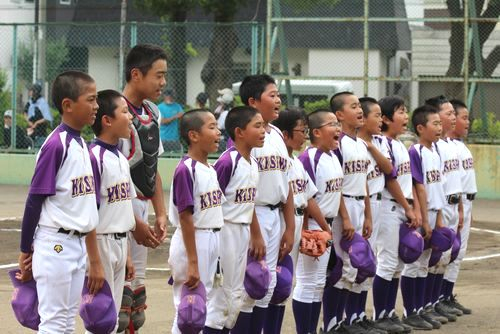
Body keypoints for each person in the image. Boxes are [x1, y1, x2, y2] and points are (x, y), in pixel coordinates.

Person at [17, 71, 99, 333]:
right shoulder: (56, 145)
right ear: (68, 105)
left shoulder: (82, 145)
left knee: (66, 322)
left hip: (75, 245)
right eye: (91, 99)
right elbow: (34, 200)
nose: (96, 106)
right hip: (56, 246)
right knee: (53, 322)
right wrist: (24, 248)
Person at [87, 89, 161, 334]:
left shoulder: (119, 157)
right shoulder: (94, 157)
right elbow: (88, 213)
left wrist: (128, 254)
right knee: (98, 318)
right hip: (101, 243)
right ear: (107, 120)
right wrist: (94, 261)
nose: (130, 117)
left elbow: (123, 210)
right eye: (124, 112)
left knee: (115, 318)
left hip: (119, 244)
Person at [231, 74, 295, 334]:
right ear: (253, 102)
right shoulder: (247, 138)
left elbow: (287, 184)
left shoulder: (277, 134)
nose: (278, 100)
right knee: (251, 288)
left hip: (275, 216)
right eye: (272, 95)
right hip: (253, 215)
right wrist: (255, 232)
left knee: (267, 288)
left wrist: (289, 227)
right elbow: (245, 191)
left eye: (278, 95)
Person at [119, 44, 168, 332]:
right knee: (117, 301)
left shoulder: (152, 111)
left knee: (136, 299)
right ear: (136, 74)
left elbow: (152, 167)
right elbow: (110, 178)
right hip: (116, 210)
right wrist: (132, 221)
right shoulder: (114, 110)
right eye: (158, 75)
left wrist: (159, 213)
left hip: (140, 206)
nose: (163, 82)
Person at [205, 106, 266, 333]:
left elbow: (248, 206)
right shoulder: (228, 161)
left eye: (263, 126)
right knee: (220, 296)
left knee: (235, 296)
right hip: (225, 231)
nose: (263, 132)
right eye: (257, 126)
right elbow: (210, 203)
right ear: (239, 132)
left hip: (242, 232)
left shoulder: (253, 163)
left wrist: (255, 235)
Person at [292, 109, 350, 334]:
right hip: (314, 226)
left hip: (326, 224)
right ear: (316, 132)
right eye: (331, 124)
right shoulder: (309, 157)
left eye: (337, 124)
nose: (337, 128)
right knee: (307, 283)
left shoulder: (333, 156)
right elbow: (305, 196)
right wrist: (306, 231)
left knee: (317, 284)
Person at [167, 109, 224, 334]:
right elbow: (185, 217)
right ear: (193, 135)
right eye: (211, 127)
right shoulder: (186, 169)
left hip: (209, 238)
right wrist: (192, 261)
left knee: (200, 308)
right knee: (188, 309)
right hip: (193, 241)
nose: (218, 132)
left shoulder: (209, 168)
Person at [324, 91, 373, 333]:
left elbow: (363, 181)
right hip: (343, 207)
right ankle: (331, 324)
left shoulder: (360, 144)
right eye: (353, 106)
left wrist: (368, 214)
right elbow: (338, 182)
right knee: (341, 268)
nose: (359, 110)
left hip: (358, 206)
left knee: (353, 268)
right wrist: (344, 217)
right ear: (340, 114)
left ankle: (340, 321)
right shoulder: (338, 143)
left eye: (359, 106)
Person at [372, 95, 418, 334]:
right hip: (390, 206)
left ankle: (389, 312)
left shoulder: (400, 144)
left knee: (398, 264)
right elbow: (390, 180)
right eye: (400, 111)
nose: (405, 116)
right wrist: (408, 207)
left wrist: (411, 208)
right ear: (387, 119)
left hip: (402, 207)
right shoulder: (383, 143)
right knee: (387, 262)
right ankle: (380, 314)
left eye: (406, 110)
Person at [401, 104, 446, 330]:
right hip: (422, 215)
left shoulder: (435, 151)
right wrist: (425, 219)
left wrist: (438, 219)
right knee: (413, 264)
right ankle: (410, 311)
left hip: (433, 212)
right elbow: (418, 187)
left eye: (440, 123)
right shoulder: (415, 152)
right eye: (435, 123)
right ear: (420, 128)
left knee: (424, 265)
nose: (439, 128)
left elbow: (437, 188)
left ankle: (419, 309)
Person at [424, 95, 464, 321]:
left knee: (444, 257)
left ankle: (436, 301)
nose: (453, 117)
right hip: (438, 206)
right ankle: (428, 304)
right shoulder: (433, 148)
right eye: (448, 113)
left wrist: (459, 209)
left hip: (450, 205)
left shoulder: (449, 145)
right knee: (433, 258)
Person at [357, 97, 394, 329]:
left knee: (369, 263)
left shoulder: (378, 142)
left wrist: (371, 146)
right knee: (359, 264)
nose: (381, 120)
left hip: (379, 204)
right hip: (363, 205)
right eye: (376, 115)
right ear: (363, 118)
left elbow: (389, 169)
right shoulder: (350, 145)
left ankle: (360, 316)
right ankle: (352, 317)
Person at [443, 99, 476, 314]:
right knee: (447, 252)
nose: (467, 122)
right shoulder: (447, 147)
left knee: (459, 252)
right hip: (454, 203)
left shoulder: (460, 146)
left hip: (465, 203)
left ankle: (446, 296)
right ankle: (439, 298)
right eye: (463, 118)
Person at [158, 88, 184, 153]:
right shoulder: (160, 107)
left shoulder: (177, 106)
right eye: (168, 96)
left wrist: (181, 117)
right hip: (163, 138)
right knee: (163, 157)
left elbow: (182, 117)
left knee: (177, 156)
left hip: (175, 138)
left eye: (171, 96)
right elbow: (163, 121)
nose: (170, 97)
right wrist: (175, 116)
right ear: (164, 96)